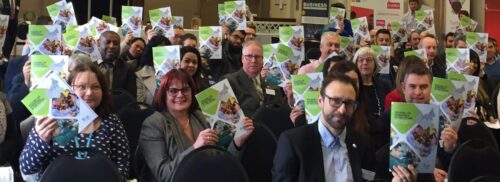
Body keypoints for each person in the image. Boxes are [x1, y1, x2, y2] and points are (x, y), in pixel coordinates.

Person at [19, 63, 130, 181]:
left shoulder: (111, 122)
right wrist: (42, 140)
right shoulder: (49, 120)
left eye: (95, 87)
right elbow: (27, 168)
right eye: (82, 87)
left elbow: (122, 166)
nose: (89, 93)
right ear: (69, 90)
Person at [138, 69, 254, 182]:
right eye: (173, 91)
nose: (180, 95)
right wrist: (195, 147)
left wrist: (238, 142)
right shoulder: (152, 124)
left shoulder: (201, 116)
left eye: (185, 89)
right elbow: (163, 176)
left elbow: (223, 162)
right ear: (164, 94)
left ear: (192, 92)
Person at [272, 73, 375, 182]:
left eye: (349, 103)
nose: (342, 110)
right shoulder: (293, 143)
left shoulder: (363, 143)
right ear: (320, 101)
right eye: (335, 101)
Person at [375, 63, 458, 181]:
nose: (418, 92)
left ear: (431, 88)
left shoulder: (442, 119)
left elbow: (450, 167)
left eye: (423, 87)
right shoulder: (387, 119)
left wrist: (449, 149)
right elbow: (380, 164)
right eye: (412, 86)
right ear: (403, 88)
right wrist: (426, 171)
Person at [221, 40, 285, 117]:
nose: (253, 60)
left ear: (262, 60)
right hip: (246, 127)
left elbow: (279, 109)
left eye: (257, 57)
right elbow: (225, 115)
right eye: (249, 56)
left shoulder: (271, 82)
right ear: (242, 58)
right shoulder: (228, 81)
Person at [352, 47, 392, 124]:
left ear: (375, 64)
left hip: (382, 129)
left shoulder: (385, 84)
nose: (365, 63)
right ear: (356, 64)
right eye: (361, 60)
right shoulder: (351, 85)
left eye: (369, 60)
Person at [97, 31, 137, 97]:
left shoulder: (127, 69)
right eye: (107, 42)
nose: (111, 46)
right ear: (98, 43)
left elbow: (131, 98)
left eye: (115, 43)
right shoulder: (89, 65)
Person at [135, 35, 171, 105]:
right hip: (151, 114)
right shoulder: (140, 74)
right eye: (159, 51)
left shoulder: (176, 72)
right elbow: (140, 104)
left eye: (165, 50)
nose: (162, 54)